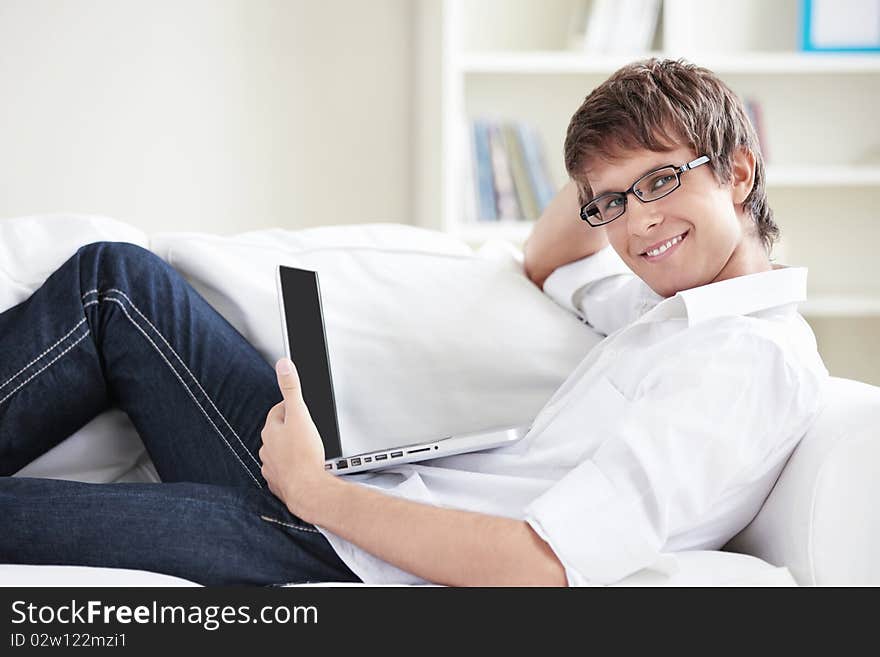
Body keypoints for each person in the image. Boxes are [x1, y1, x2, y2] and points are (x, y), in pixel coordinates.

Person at [0, 58, 828, 587]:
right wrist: (614, 169)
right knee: (116, 283)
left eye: (662, 183)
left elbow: (543, 566)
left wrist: (313, 492)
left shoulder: (743, 362)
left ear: (740, 170)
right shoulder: (673, 314)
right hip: (347, 496)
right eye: (612, 203)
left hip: (338, 546)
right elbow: (547, 260)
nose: (636, 226)